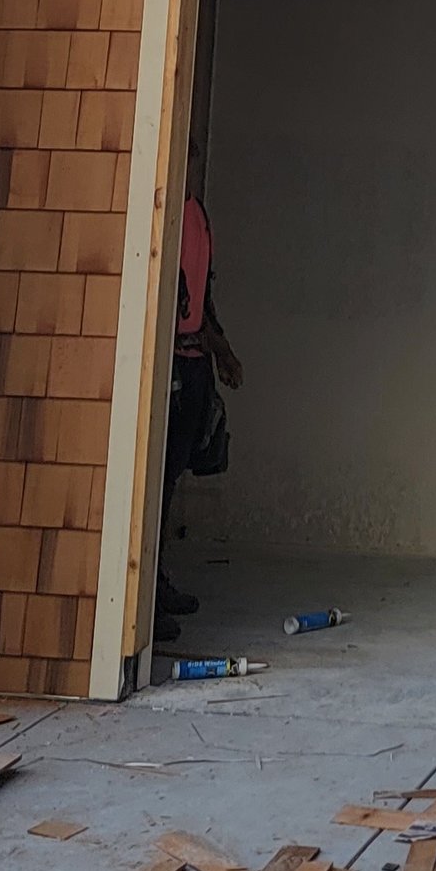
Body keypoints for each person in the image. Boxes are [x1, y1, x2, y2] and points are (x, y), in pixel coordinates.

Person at [156, 182, 241, 643]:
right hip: (168, 363)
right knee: (155, 483)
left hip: (193, 364)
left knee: (171, 479)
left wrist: (219, 350)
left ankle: (157, 580)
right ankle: (146, 595)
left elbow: (200, 294)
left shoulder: (196, 214)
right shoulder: (165, 211)